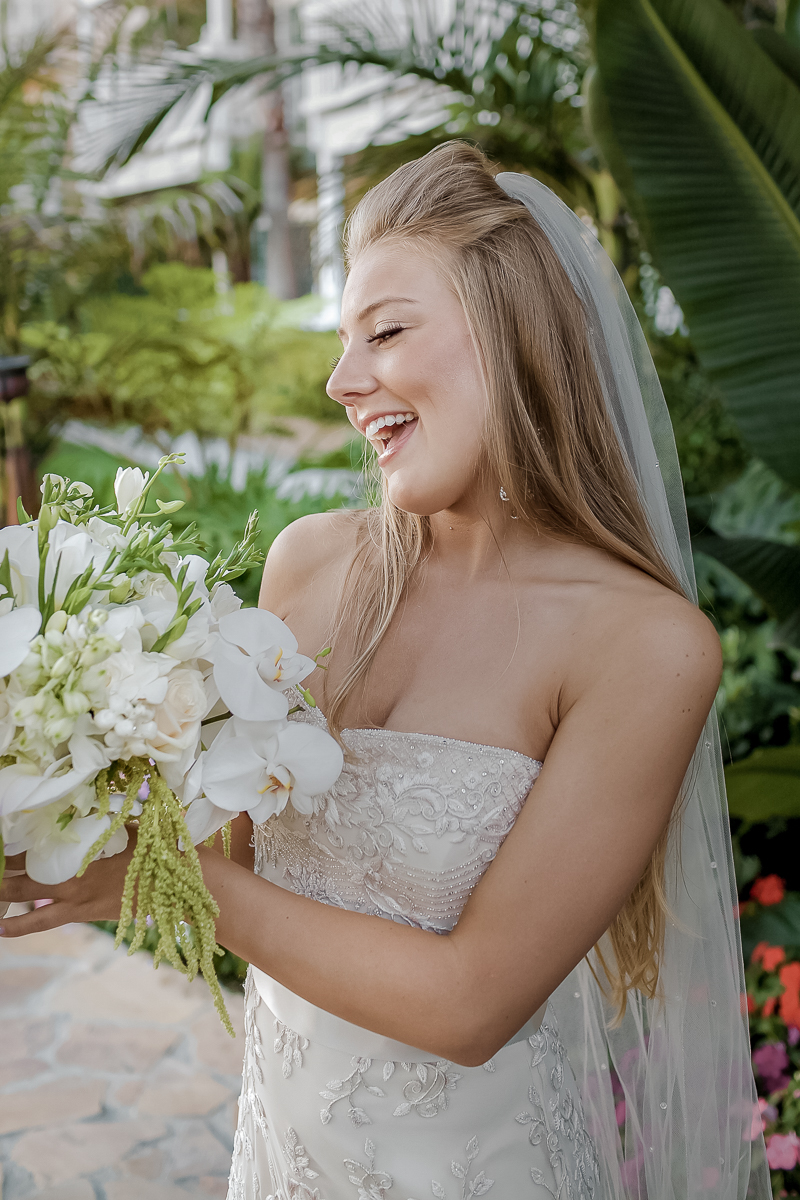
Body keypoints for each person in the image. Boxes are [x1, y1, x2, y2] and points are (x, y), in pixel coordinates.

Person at [0, 142, 768, 1199]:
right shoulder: (308, 562)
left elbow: (470, 1004)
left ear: (513, 334)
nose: (339, 381)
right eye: (338, 340)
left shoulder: (642, 647)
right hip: (280, 1159)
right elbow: (231, 863)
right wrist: (64, 760)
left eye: (387, 331)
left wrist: (167, 878)